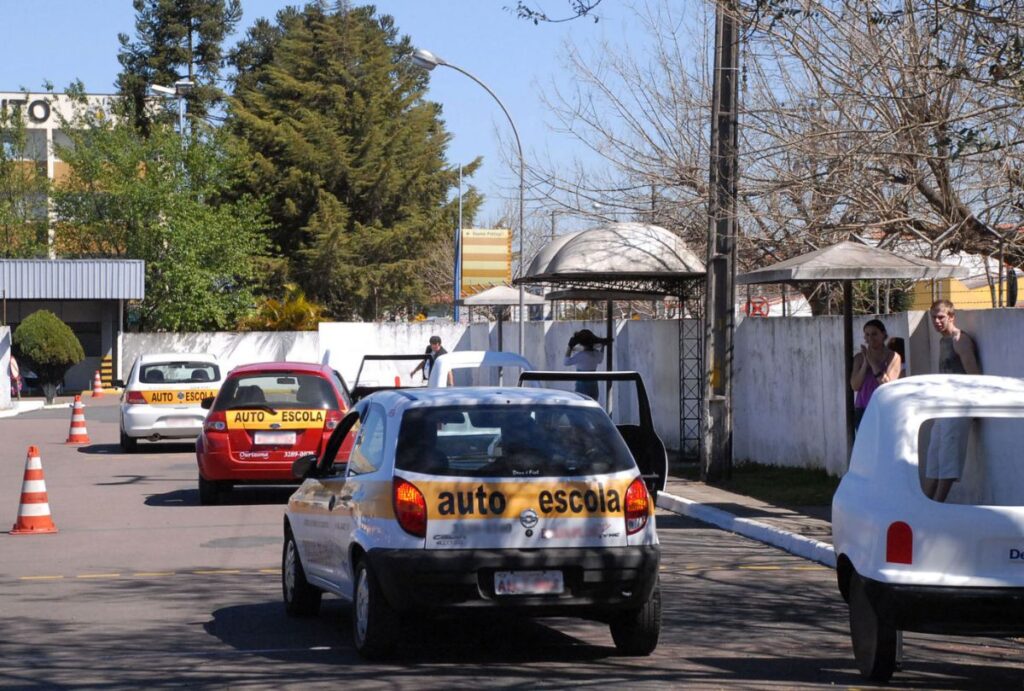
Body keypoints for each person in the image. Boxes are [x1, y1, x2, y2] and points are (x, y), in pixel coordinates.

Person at [924, 299, 981, 503]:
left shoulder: (960, 339)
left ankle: (937, 504)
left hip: (959, 406)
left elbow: (975, 375)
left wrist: (977, 407)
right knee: (934, 456)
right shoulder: (943, 341)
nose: (937, 321)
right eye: (933, 317)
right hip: (943, 406)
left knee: (948, 457)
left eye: (941, 317)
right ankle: (925, 503)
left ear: (951, 316)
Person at [850, 319, 902, 431]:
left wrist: (872, 362)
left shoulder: (893, 357)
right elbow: (855, 386)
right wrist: (865, 363)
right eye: (867, 334)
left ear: (883, 334)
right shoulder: (859, 358)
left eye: (874, 334)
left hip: (884, 408)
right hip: (862, 409)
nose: (870, 338)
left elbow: (887, 385)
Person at [564, 329, 610, 400]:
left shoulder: (580, 356)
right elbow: (600, 359)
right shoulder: (596, 354)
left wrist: (569, 347)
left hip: (581, 390)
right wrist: (602, 346)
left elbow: (566, 362)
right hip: (594, 389)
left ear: (581, 343)